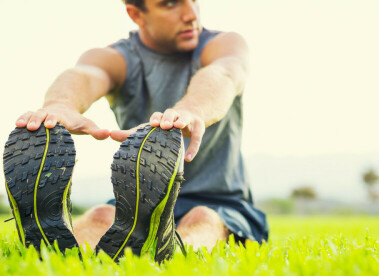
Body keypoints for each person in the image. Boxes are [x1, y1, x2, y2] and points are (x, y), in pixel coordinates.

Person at [8, 0, 268, 259]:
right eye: (170, 4)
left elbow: (223, 74)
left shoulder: (224, 44)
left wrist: (192, 110)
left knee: (203, 218)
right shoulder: (117, 58)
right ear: (136, 14)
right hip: (137, 206)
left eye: (194, 1)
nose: (191, 14)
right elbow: (85, 74)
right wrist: (60, 105)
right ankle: (57, 253)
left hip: (222, 203)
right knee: (102, 215)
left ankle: (174, 255)